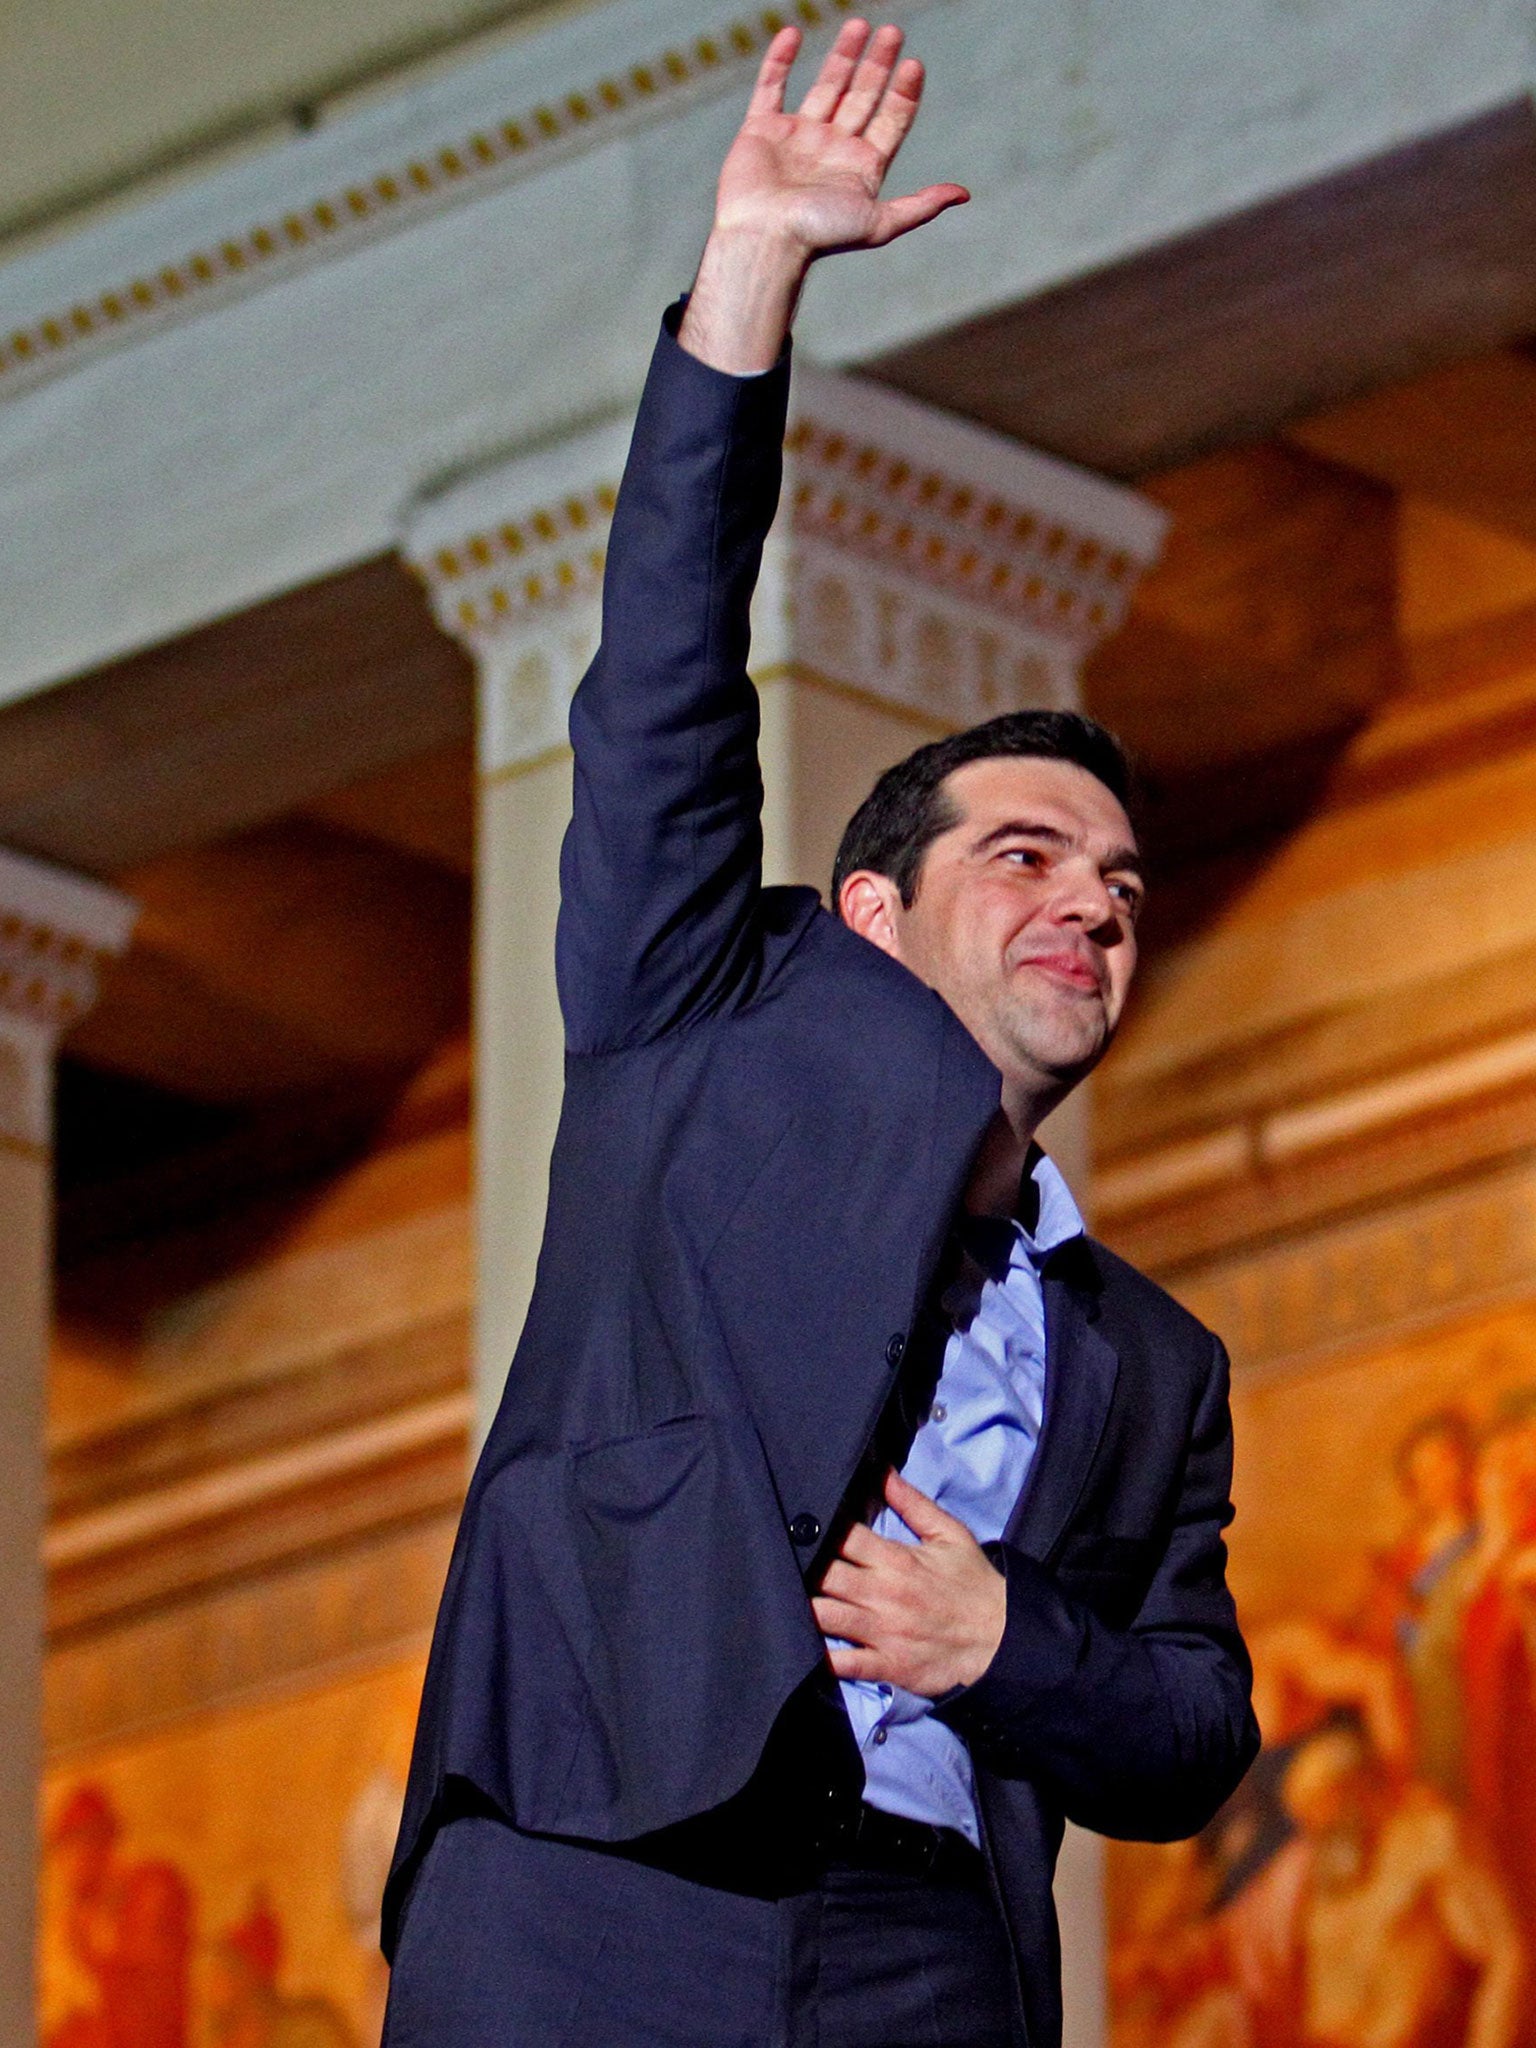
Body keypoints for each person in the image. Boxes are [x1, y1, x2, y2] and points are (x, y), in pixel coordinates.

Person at [382, 21, 1258, 2047]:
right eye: (1028, 855)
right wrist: (751, 285)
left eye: (1124, 890)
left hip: (928, 1949)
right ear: (870, 913)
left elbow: (1191, 1726)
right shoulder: (701, 1010)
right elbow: (669, 680)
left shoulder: (1149, 1361)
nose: (1091, 910)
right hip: (598, 1877)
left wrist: (1001, 1640)